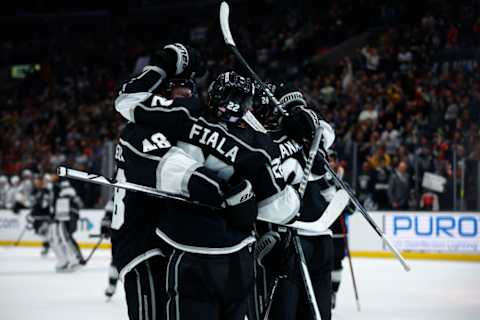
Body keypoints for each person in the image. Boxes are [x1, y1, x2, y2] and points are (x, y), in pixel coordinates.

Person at [115, 44, 301, 319]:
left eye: (191, 86)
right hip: (142, 244)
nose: (188, 92)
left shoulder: (187, 125)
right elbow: (173, 170)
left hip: (172, 241)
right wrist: (229, 191)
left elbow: (245, 166)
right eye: (180, 86)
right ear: (163, 92)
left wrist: (287, 141)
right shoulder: (142, 129)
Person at [252, 83, 337, 320]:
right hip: (311, 236)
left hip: (292, 238)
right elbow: (326, 136)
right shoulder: (312, 135)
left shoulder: (271, 139)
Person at [48, 178, 84, 272]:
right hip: (68, 219)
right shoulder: (71, 196)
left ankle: (74, 260)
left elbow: (64, 211)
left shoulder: (64, 196)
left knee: (66, 239)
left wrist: (56, 218)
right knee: (66, 239)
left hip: (66, 219)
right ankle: (73, 259)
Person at [29, 174, 52, 257]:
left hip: (45, 216)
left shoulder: (46, 191)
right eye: (36, 182)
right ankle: (47, 245)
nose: (36, 183)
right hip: (37, 216)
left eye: (38, 182)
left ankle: (47, 246)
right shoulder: (34, 190)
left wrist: (38, 201)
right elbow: (32, 202)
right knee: (39, 232)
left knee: (44, 232)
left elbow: (45, 204)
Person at [100, 200, 119, 300]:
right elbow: (108, 214)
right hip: (119, 234)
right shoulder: (116, 195)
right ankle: (112, 285)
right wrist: (105, 227)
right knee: (115, 261)